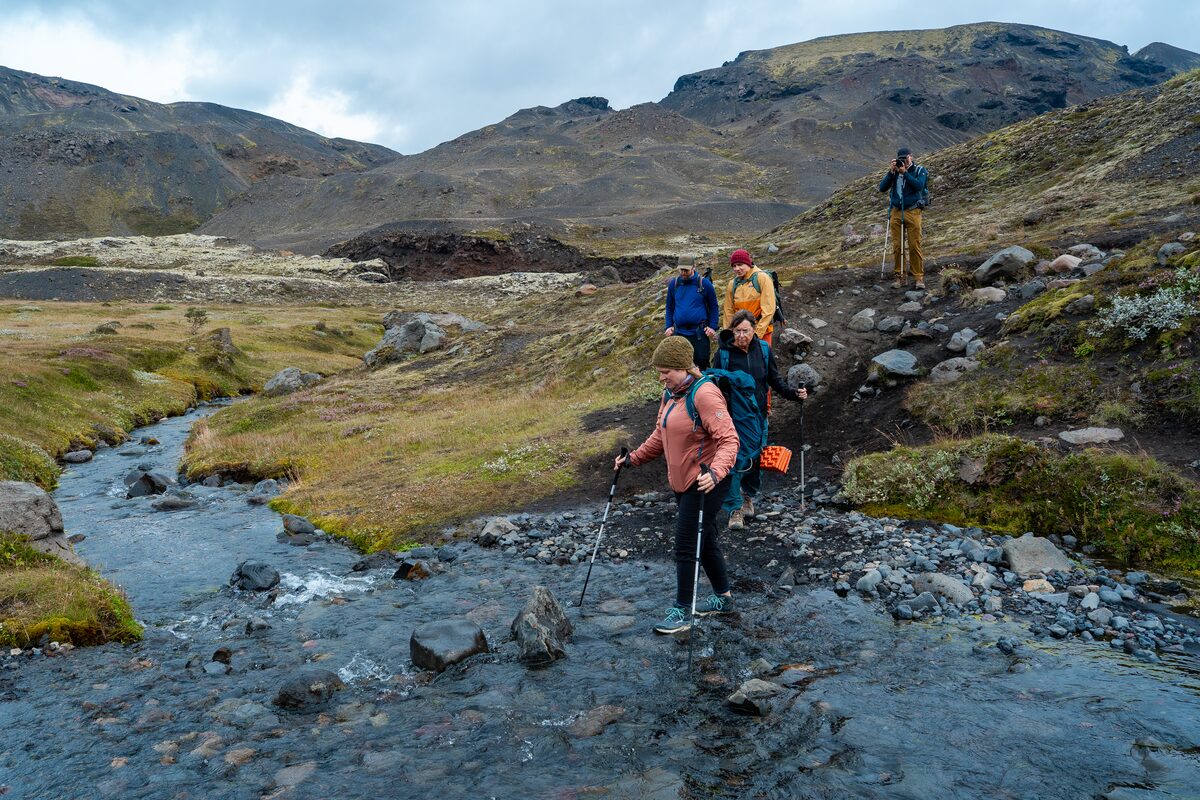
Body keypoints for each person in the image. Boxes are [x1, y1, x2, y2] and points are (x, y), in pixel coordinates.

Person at [619, 335, 740, 633]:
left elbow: (729, 440)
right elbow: (660, 435)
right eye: (659, 372)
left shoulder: (705, 394)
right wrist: (633, 459)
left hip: (707, 482)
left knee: (686, 542)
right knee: (705, 538)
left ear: (684, 367)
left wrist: (715, 472)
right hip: (683, 482)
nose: (661, 378)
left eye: (666, 372)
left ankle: (682, 611)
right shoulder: (670, 395)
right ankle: (724, 599)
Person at [715, 310, 807, 530]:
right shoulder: (723, 354)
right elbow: (715, 385)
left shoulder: (763, 350)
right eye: (737, 331)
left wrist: (794, 394)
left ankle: (746, 496)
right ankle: (735, 509)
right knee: (735, 461)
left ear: (754, 330)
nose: (741, 336)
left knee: (755, 460)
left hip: (759, 416)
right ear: (732, 331)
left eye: (745, 331)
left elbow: (774, 379)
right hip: (733, 418)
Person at [878, 146, 929, 290]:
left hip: (913, 211)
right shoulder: (894, 172)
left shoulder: (919, 170)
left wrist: (905, 173)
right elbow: (882, 188)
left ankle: (918, 277)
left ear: (911, 157)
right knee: (897, 246)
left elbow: (919, 186)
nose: (904, 161)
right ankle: (900, 277)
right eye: (901, 159)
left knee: (914, 245)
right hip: (896, 211)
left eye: (906, 158)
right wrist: (891, 172)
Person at [664, 255, 719, 369]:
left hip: (699, 334)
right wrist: (668, 326)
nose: (683, 273)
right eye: (681, 270)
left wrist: (712, 327)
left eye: (686, 270)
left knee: (702, 365)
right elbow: (669, 307)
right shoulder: (674, 284)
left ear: (693, 267)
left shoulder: (704, 284)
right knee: (680, 365)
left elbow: (714, 307)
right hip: (679, 333)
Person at [721, 249, 776, 345]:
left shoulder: (762, 278)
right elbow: (728, 311)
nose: (737, 268)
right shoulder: (732, 284)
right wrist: (729, 335)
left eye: (740, 264)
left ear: (748, 263)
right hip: (740, 334)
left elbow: (768, 309)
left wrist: (756, 335)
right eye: (734, 266)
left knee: (762, 354)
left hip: (761, 333)